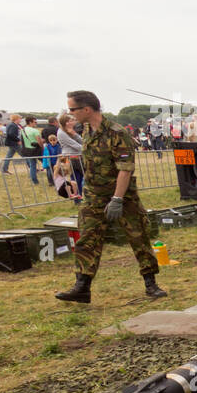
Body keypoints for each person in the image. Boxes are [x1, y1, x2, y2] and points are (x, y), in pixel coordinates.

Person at [55, 90, 166, 303]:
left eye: (72, 109)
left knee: (138, 236)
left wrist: (117, 199)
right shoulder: (86, 130)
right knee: (87, 238)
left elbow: (125, 169)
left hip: (122, 195)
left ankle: (151, 283)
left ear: (86, 109)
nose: (70, 114)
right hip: (94, 195)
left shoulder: (117, 133)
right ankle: (82, 286)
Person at [20, 115, 43, 185]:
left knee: (32, 166)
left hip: (27, 150)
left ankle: (35, 181)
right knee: (47, 162)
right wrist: (43, 148)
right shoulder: (35, 131)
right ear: (30, 122)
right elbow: (39, 141)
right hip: (37, 150)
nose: (36, 123)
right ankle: (52, 179)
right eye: (35, 122)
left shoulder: (22, 130)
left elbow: (22, 141)